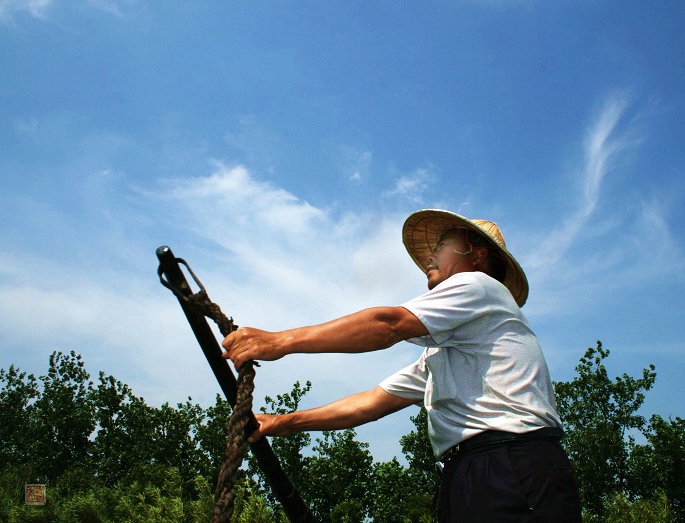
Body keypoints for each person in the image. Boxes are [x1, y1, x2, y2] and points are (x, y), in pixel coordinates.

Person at [222, 209, 582, 522]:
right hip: (470, 474)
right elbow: (370, 403)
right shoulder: (444, 355)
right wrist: (282, 423)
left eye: (442, 243)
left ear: (477, 254)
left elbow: (388, 324)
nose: (430, 256)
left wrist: (279, 341)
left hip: (511, 464)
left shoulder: (479, 286)